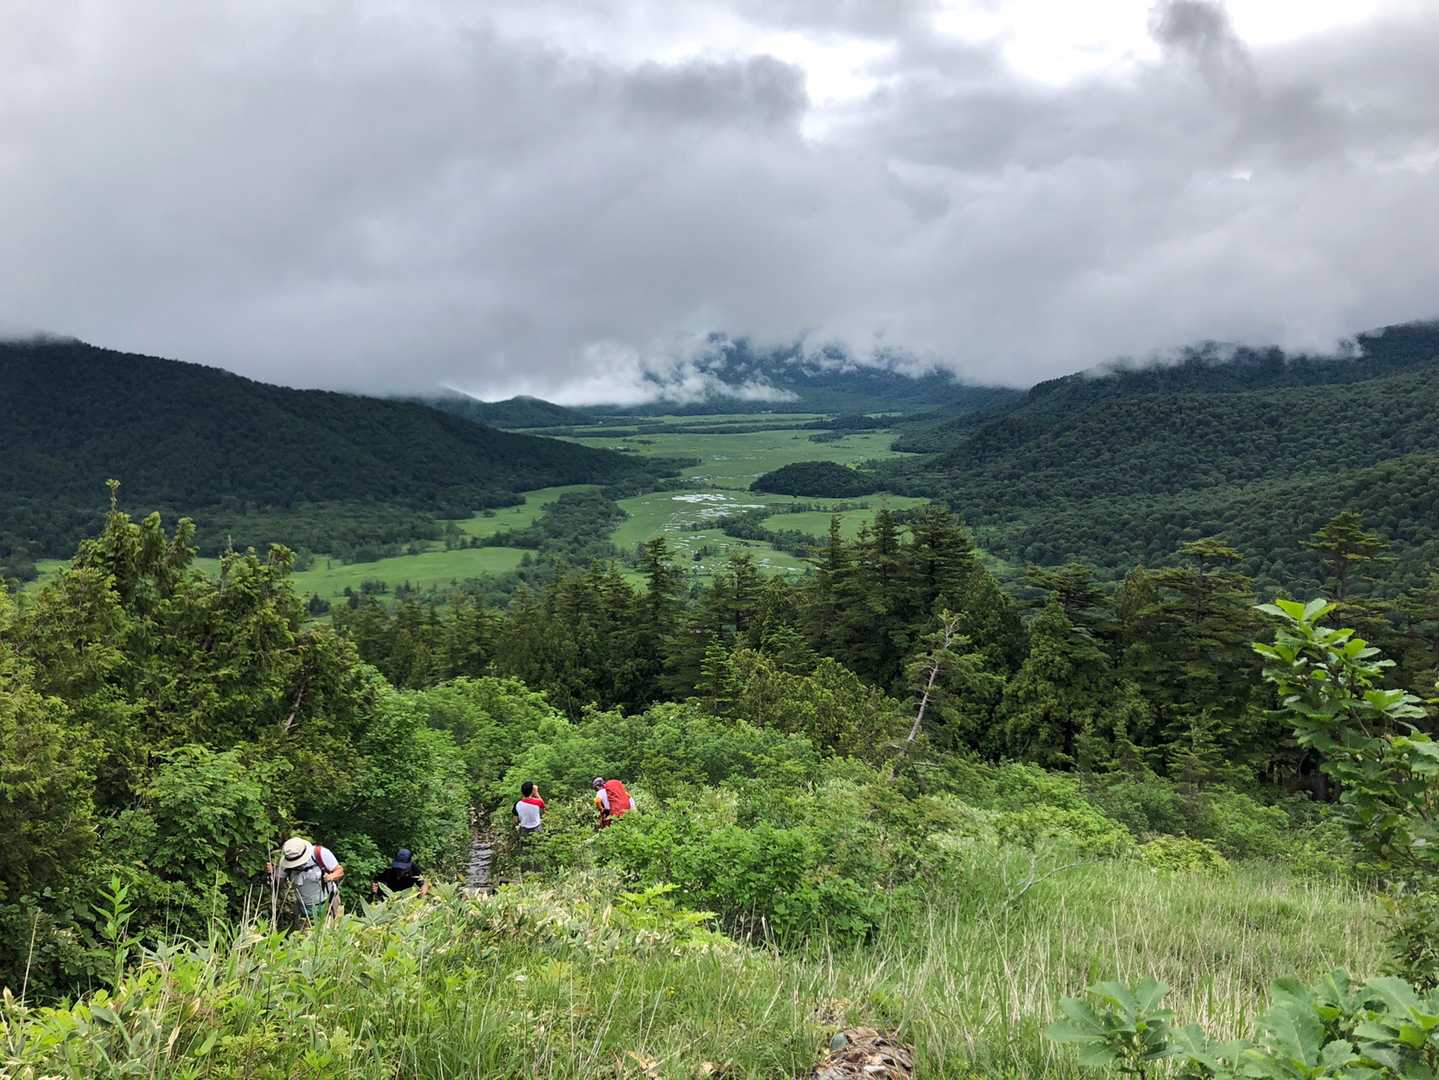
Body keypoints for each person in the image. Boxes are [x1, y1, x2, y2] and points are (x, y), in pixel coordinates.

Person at [268, 836, 344, 923]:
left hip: (328, 902)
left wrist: (331, 877)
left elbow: (340, 871)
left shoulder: (320, 853)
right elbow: (279, 885)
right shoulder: (285, 862)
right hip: (303, 907)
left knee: (331, 929)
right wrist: (273, 874)